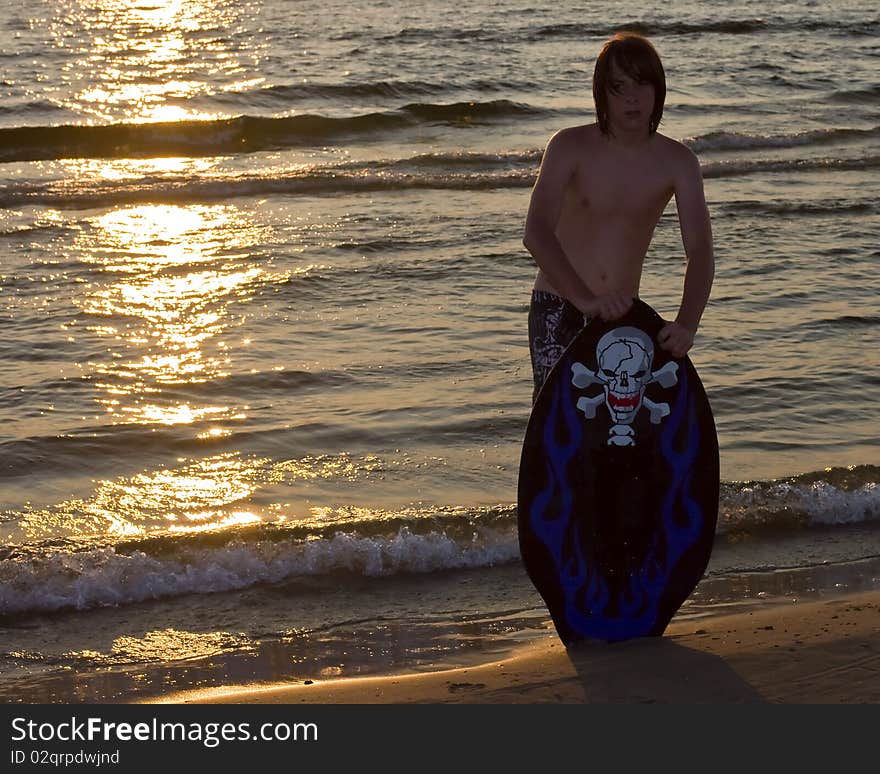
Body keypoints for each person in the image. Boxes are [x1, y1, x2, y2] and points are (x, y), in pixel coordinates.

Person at [523, 32, 714, 401]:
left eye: (642, 84)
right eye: (618, 86)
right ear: (602, 95)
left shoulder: (678, 163)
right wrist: (585, 300)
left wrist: (687, 322)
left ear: (658, 91)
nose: (632, 97)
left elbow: (701, 251)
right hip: (558, 305)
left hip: (623, 313)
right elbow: (536, 233)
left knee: (617, 431)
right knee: (557, 423)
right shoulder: (568, 146)